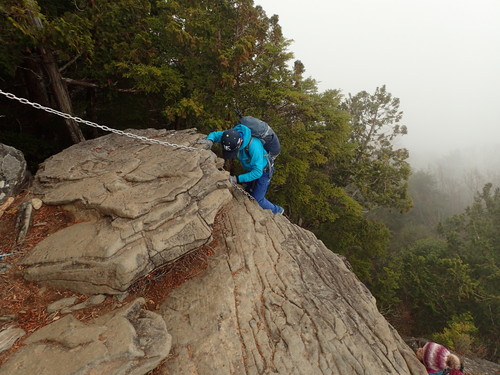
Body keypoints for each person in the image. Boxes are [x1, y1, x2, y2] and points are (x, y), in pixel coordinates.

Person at [197, 124, 284, 215]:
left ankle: (277, 210)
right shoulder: (231, 136)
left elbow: (258, 172)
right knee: (248, 192)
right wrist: (209, 140)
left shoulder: (254, 146)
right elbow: (215, 134)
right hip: (253, 169)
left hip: (264, 171)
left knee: (257, 199)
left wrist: (237, 179)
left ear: (240, 144)